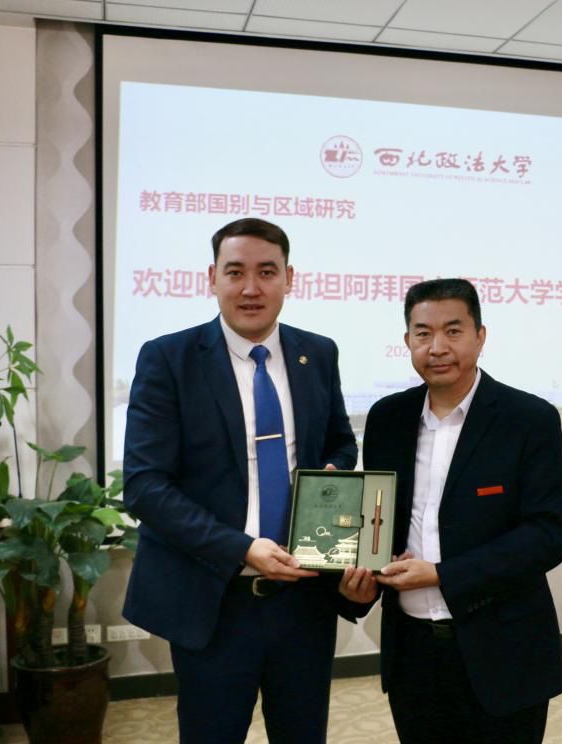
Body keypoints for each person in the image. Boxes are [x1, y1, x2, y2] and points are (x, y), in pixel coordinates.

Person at [122, 218, 376, 744]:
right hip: (215, 597)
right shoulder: (169, 358)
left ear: (289, 278)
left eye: (267, 272)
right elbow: (145, 486)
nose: (251, 287)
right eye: (235, 272)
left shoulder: (317, 353)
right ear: (212, 278)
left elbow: (340, 443)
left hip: (303, 598)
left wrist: (330, 475)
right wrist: (241, 548)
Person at [364, 278, 562, 744]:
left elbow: (547, 535)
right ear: (407, 341)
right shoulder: (386, 419)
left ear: (480, 336)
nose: (437, 347)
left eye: (453, 331)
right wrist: (357, 581)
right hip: (413, 654)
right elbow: (379, 523)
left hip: (503, 651)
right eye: (423, 333)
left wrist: (442, 574)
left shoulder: (528, 419)